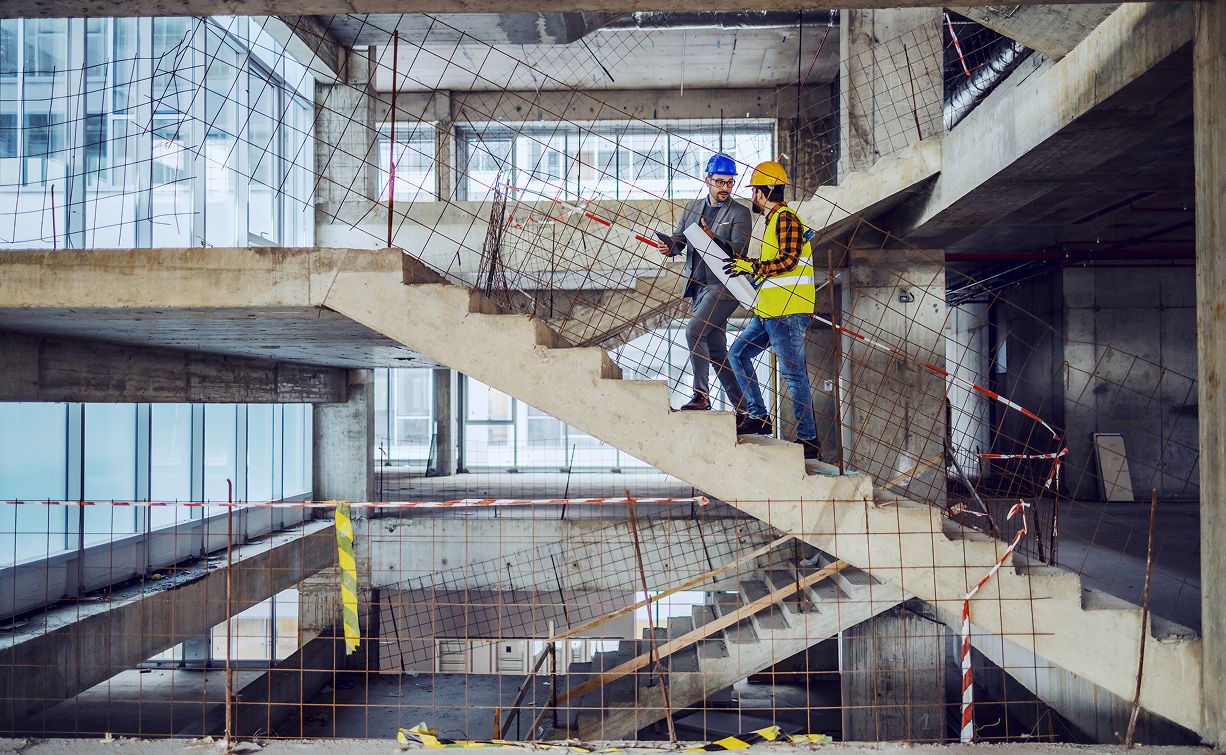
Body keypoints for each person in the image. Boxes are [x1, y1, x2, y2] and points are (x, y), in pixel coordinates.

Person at [722, 160, 822, 461]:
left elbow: (788, 261)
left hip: (788, 312)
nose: (753, 196)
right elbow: (773, 267)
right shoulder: (773, 222)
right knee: (737, 354)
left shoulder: (786, 219)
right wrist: (749, 270)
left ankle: (809, 439)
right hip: (769, 312)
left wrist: (751, 265)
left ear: (765, 192)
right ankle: (759, 417)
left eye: (755, 191)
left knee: (794, 376)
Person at [662, 153, 753, 416]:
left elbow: (738, 251)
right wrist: (668, 247)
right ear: (708, 180)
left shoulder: (740, 213)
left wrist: (713, 237)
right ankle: (746, 409)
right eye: (720, 182)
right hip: (699, 288)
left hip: (724, 287)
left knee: (693, 332)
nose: (725, 188)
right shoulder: (691, 208)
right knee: (716, 351)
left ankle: (700, 396)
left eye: (729, 183)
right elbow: (679, 241)